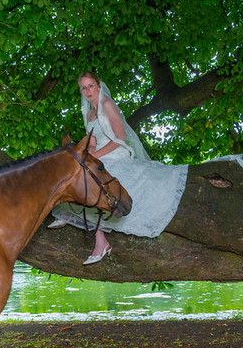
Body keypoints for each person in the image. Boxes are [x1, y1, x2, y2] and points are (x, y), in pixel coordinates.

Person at [49, 72, 188, 264]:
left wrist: (96, 156)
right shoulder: (89, 113)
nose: (87, 91)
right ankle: (69, 212)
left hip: (115, 152)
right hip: (99, 155)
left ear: (98, 85)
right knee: (80, 174)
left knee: (96, 184)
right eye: (83, 88)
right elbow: (93, 141)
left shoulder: (107, 105)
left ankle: (100, 240)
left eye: (90, 86)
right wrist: (87, 152)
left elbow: (120, 138)